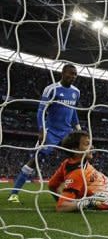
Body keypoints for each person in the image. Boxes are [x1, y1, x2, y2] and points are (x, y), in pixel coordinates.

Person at [8, 64, 81, 203]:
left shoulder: (76, 92)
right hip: (50, 132)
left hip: (67, 133)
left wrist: (78, 129)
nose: (73, 77)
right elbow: (41, 111)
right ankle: (14, 194)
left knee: (79, 159)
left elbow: (73, 112)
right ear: (63, 73)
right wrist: (41, 131)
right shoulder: (51, 89)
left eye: (75, 74)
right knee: (35, 161)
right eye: (70, 73)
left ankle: (75, 191)